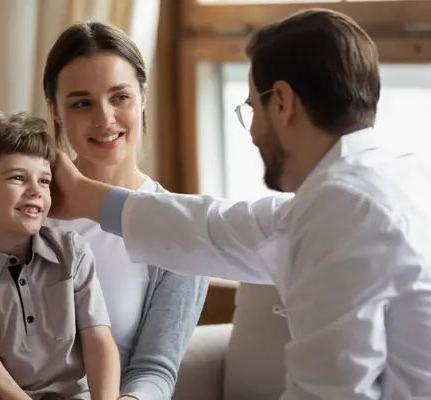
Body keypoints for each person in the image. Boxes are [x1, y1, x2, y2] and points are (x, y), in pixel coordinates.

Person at [48, 9, 431, 400]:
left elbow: (330, 392)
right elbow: (218, 228)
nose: (252, 135)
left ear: (280, 102)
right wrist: (86, 197)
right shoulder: (375, 180)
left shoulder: (346, 207)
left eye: (251, 109)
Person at [0, 22, 209, 400]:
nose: (104, 118)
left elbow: (155, 368)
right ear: (56, 111)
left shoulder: (176, 229)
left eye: (119, 97)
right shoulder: (18, 208)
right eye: (81, 102)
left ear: (142, 97)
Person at [0, 110, 120, 400]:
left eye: (44, 181)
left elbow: (99, 341)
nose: (36, 191)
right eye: (18, 177)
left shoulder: (72, 253)